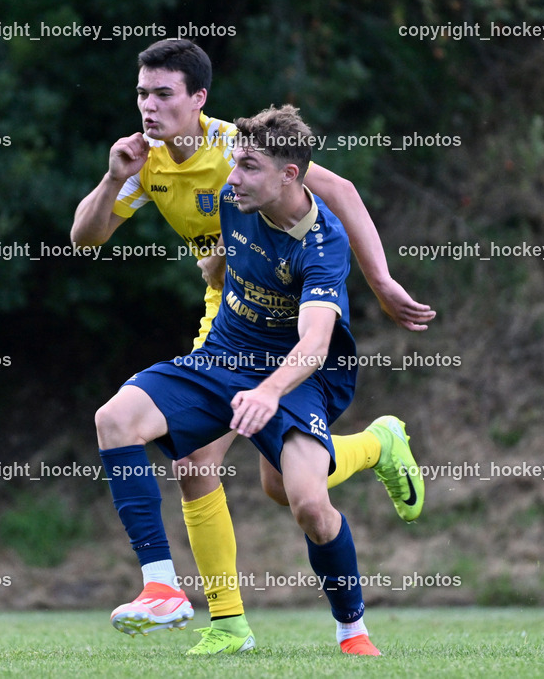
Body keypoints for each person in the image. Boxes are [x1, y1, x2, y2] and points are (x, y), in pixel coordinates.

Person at [73, 39, 433, 655]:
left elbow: (340, 192)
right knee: (187, 460)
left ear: (198, 99)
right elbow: (86, 238)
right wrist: (115, 180)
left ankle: (377, 448)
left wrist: (382, 283)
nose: (149, 106)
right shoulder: (151, 162)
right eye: (142, 94)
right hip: (230, 321)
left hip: (291, 339)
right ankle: (208, 613)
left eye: (163, 94)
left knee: (293, 493)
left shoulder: (241, 154)